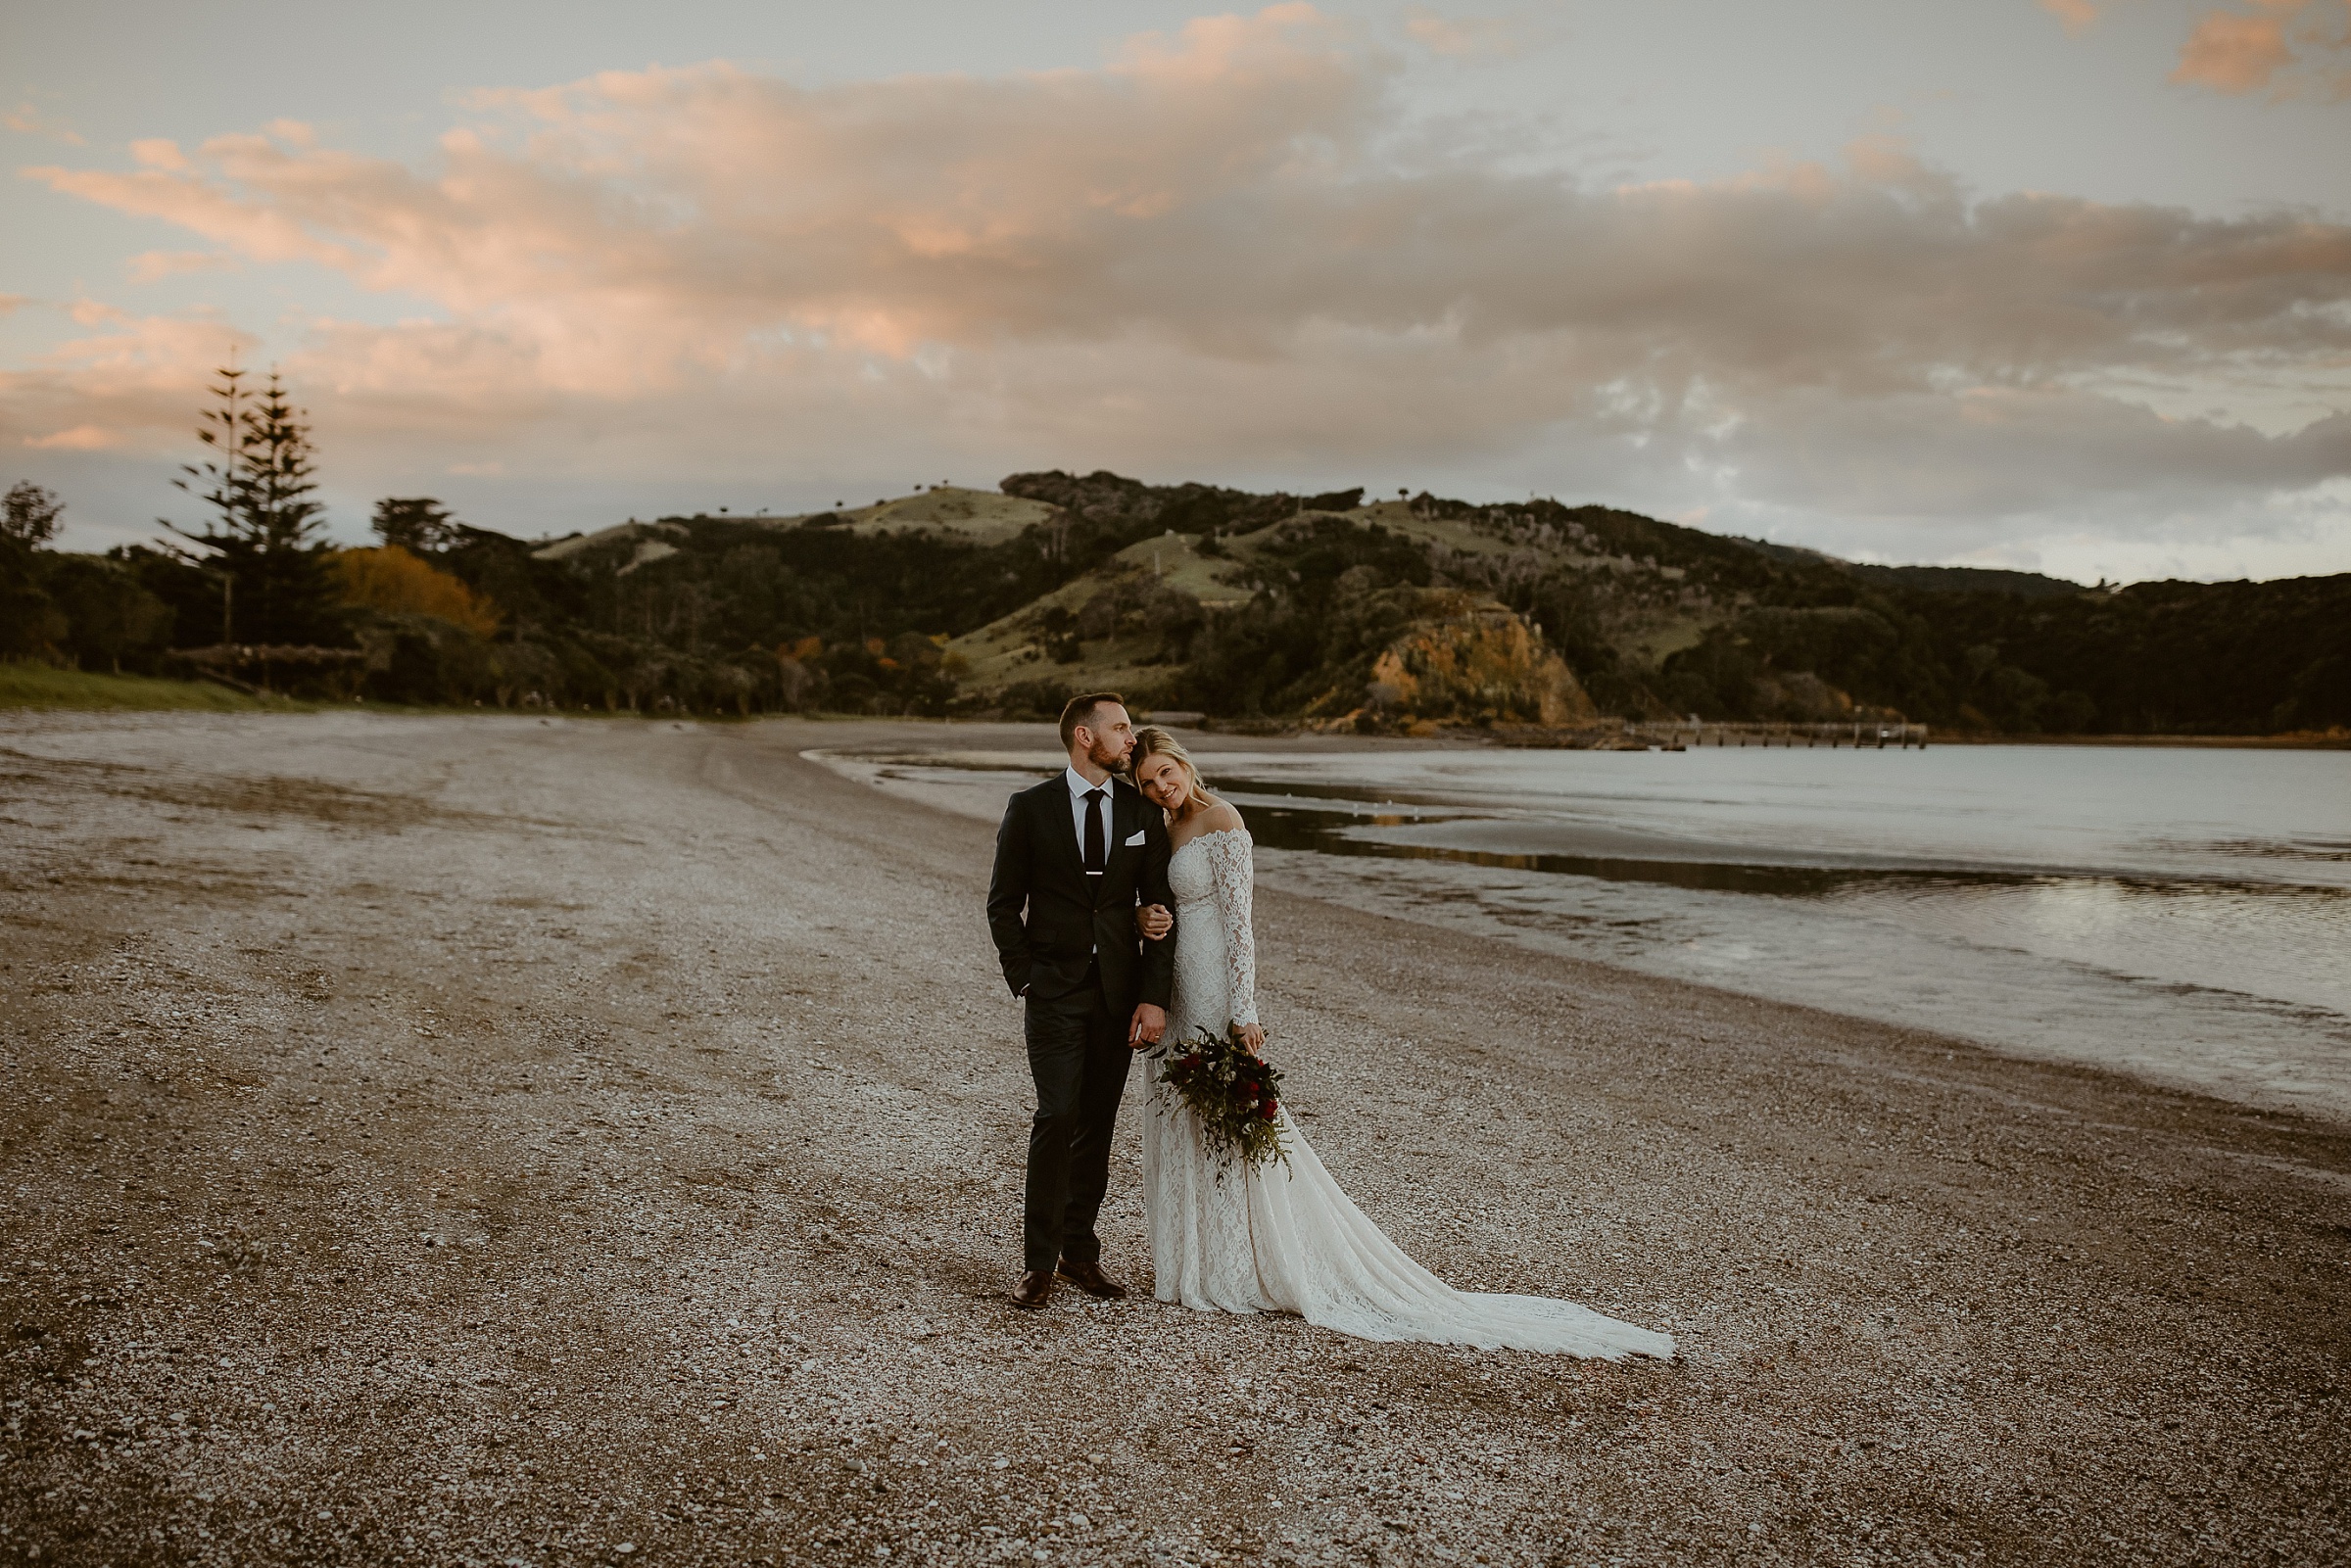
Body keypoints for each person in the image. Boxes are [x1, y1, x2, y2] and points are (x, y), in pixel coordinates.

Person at [1126, 725, 1674, 1358]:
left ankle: (1243, 1263)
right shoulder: (1160, 830)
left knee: (1235, 1125)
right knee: (1187, 1118)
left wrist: (1245, 1010)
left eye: (1167, 772)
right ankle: (1193, 1263)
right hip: (1178, 989)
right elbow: (1157, 902)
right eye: (1149, 782)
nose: (1163, 787)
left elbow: (1241, 924)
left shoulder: (1223, 817)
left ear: (1185, 763)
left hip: (1218, 987)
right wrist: (1144, 918)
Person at [984, 693, 1176, 1309]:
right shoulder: (1031, 809)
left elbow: (1160, 911)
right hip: (1054, 993)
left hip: (1117, 996)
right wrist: (1027, 978)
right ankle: (1036, 1263)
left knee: (1096, 1125)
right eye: (1119, 728)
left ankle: (1080, 1254)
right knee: (1056, 1116)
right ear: (1084, 738)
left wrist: (1152, 998)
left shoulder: (1141, 812)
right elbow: (1002, 904)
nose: (1130, 737)